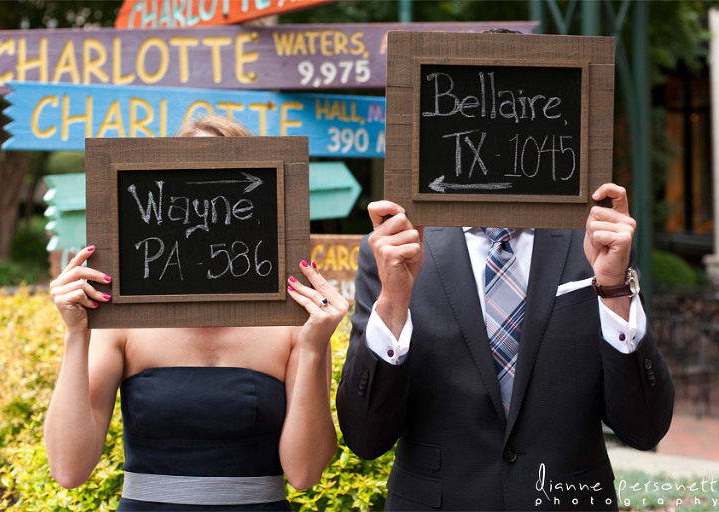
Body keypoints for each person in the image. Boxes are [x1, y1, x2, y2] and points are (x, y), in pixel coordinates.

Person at [45, 114, 344, 511]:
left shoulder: (294, 324)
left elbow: (304, 474)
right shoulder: (123, 323)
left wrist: (314, 346)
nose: (207, 213)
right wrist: (76, 332)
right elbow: (69, 469)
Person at [336, 184, 674, 511]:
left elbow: (644, 429)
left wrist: (615, 290)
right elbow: (366, 437)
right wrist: (394, 301)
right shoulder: (398, 249)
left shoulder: (593, 238)